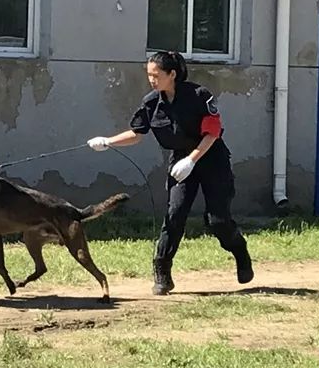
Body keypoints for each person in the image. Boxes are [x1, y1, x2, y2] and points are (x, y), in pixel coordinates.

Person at [87, 50, 253, 294]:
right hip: (180, 160)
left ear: (172, 74)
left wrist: (192, 160)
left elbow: (212, 132)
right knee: (174, 214)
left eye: (156, 75)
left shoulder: (199, 95)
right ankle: (162, 270)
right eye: (149, 75)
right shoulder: (151, 102)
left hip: (210, 157)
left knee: (217, 220)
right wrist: (108, 141)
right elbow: (137, 133)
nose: (152, 80)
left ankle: (239, 250)